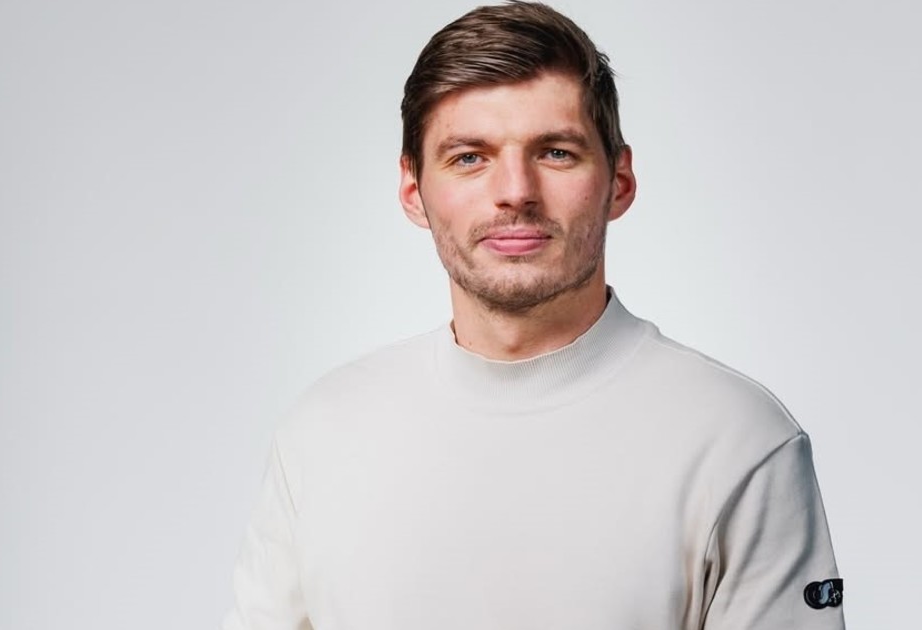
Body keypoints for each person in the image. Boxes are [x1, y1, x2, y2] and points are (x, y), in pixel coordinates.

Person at [223, 2, 845, 629]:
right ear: (414, 191)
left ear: (619, 180)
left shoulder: (738, 440)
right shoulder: (321, 436)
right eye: (470, 157)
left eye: (555, 152)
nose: (515, 191)